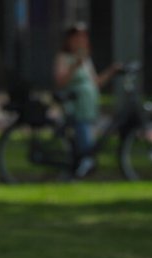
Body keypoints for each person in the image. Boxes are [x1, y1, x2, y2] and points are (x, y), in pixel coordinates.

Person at [53, 24, 121, 177]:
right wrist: (74, 66)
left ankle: (84, 164)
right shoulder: (64, 57)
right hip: (75, 106)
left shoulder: (86, 59)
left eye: (83, 37)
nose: (80, 41)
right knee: (83, 136)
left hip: (88, 106)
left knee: (89, 135)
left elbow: (95, 82)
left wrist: (111, 71)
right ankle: (82, 166)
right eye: (77, 37)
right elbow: (60, 82)